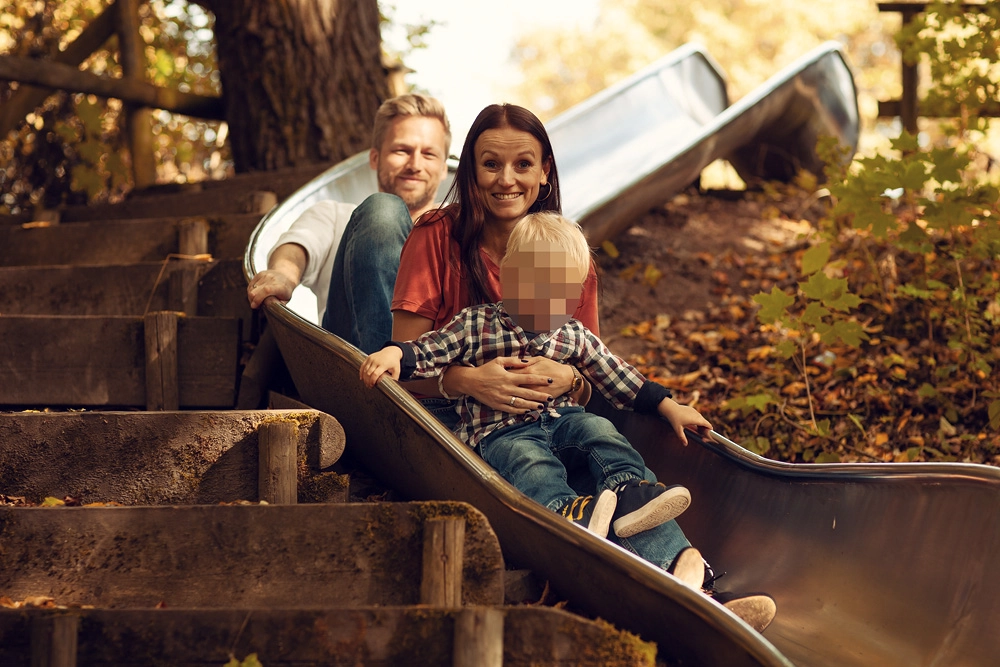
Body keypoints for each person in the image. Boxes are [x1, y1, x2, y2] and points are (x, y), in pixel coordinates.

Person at [383, 103, 775, 632]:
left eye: (523, 164)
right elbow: (415, 358)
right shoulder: (455, 271)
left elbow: (605, 374)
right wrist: (469, 379)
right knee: (535, 464)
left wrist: (596, 386)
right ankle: (583, 527)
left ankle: (693, 578)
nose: (506, 179)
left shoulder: (567, 254)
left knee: (599, 437)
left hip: (556, 417)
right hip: (471, 427)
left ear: (544, 171)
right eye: (490, 164)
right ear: (470, 172)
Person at [361, 211, 703, 542]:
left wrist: (668, 405)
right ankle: (565, 512)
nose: (550, 305)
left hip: (563, 420)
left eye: (564, 296)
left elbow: (617, 374)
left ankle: (628, 490)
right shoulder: (476, 324)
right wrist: (396, 354)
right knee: (531, 464)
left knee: (600, 431)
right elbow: (430, 349)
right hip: (500, 432)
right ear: (507, 278)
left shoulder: (573, 335)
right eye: (538, 290)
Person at [246, 93, 451, 353]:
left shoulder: (456, 225)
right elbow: (297, 246)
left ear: (444, 168)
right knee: (383, 210)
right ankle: (393, 381)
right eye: (402, 150)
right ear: (375, 158)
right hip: (354, 361)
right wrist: (283, 275)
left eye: (429, 154)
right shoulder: (334, 214)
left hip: (437, 367)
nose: (415, 164)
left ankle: (414, 376)